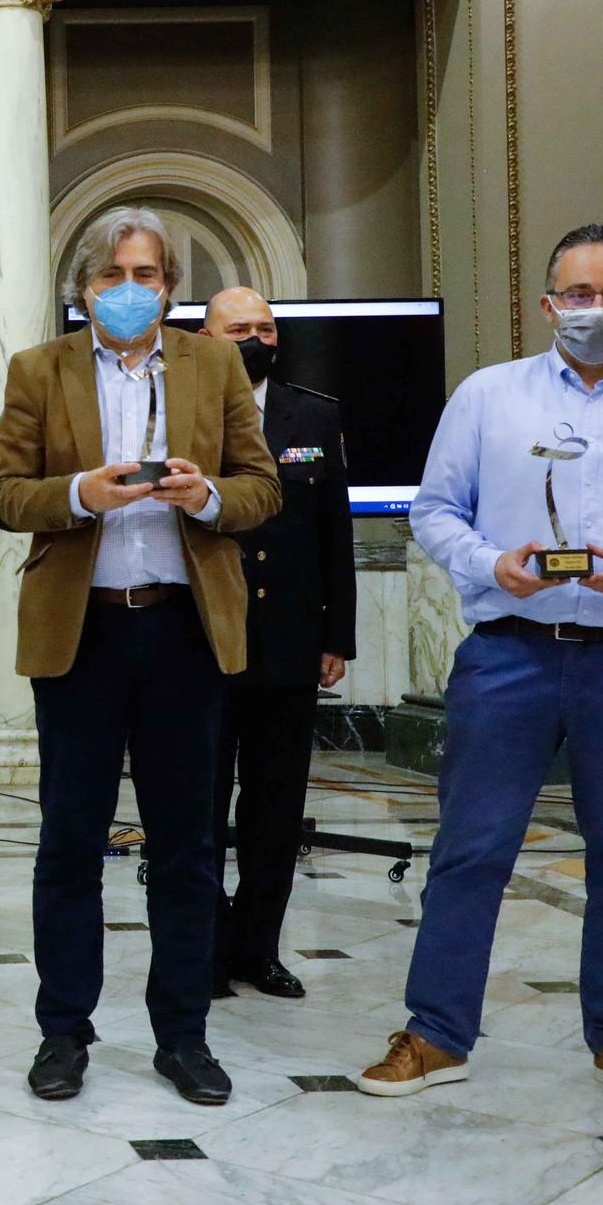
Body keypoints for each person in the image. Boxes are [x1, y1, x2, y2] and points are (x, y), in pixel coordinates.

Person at [356, 225, 603, 1114]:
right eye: (579, 294)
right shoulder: (488, 397)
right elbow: (434, 510)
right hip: (511, 655)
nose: (597, 311)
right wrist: (490, 562)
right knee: (471, 848)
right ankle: (435, 1031)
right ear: (548, 304)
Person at [0, 206, 281, 1105]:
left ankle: (183, 1034)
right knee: (69, 841)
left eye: (145, 275)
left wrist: (202, 497)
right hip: (83, 633)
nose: (127, 291)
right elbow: (3, 493)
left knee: (187, 844)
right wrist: (81, 490)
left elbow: (262, 488)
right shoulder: (40, 368)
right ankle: (64, 1032)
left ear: (170, 288)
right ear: (82, 290)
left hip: (184, 630)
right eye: (109, 277)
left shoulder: (214, 362)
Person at [198, 289, 355, 1000]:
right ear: (207, 336)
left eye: (264, 327)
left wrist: (337, 636)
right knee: (198, 806)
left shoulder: (314, 413)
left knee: (275, 809)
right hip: (203, 641)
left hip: (290, 644)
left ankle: (258, 947)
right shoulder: (179, 409)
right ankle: (203, 946)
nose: (254, 338)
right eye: (239, 328)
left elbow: (334, 534)